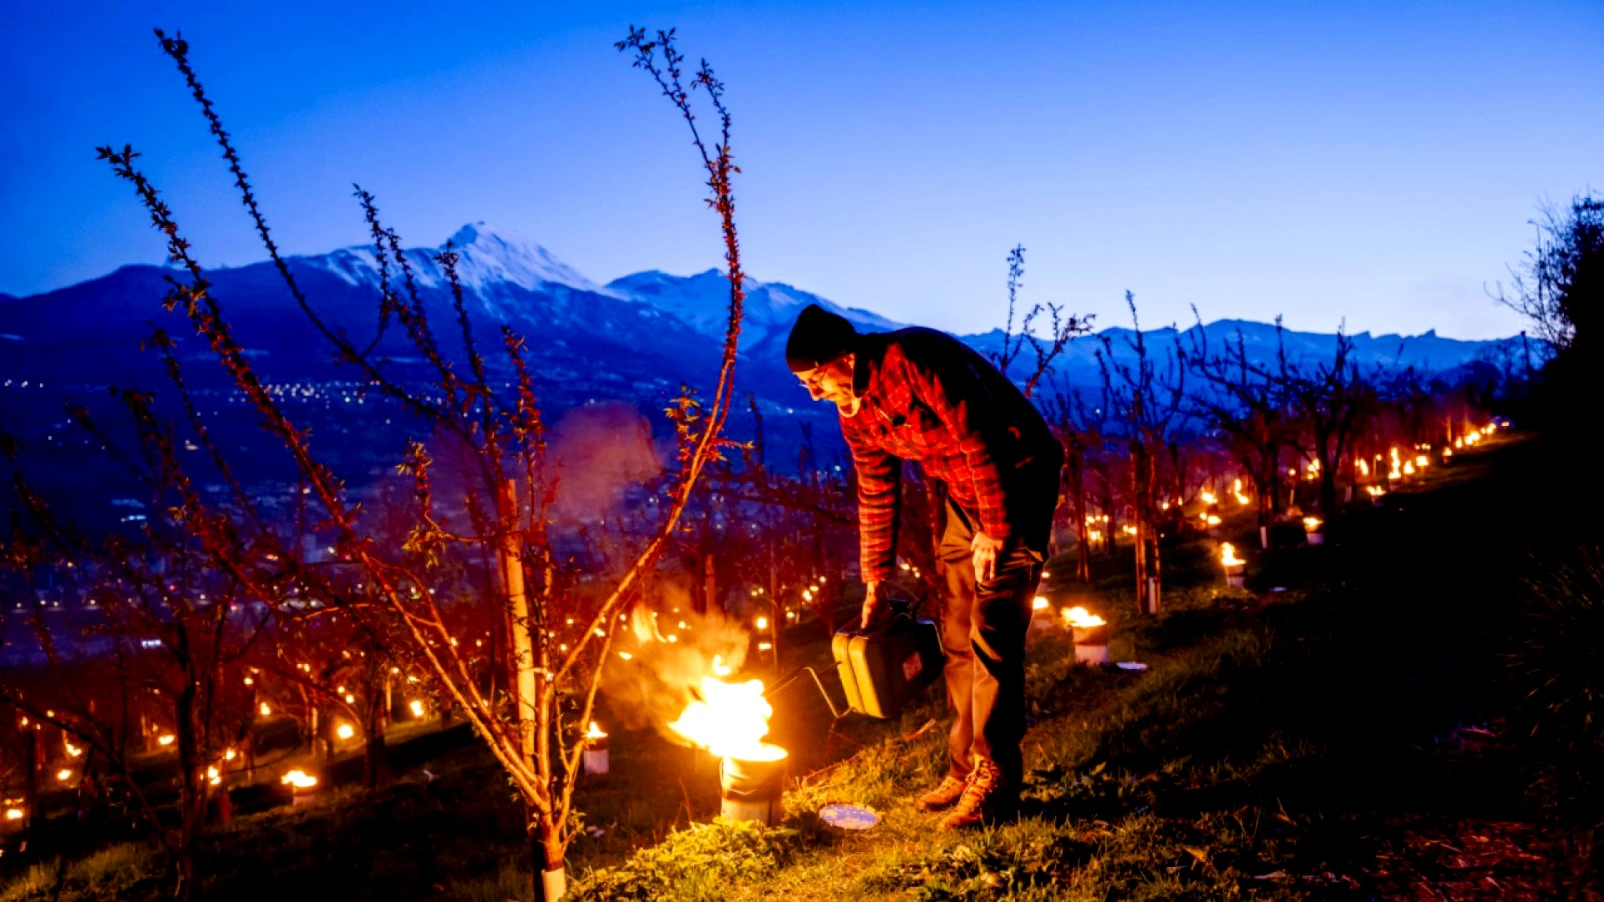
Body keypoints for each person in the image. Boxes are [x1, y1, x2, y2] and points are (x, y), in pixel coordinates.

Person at [786, 304, 1063, 830]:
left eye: (817, 378)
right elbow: (876, 488)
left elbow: (982, 437)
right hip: (965, 495)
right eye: (805, 385)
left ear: (844, 358)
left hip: (1017, 479)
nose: (814, 393)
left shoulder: (913, 360)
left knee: (993, 628)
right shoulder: (855, 411)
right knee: (956, 633)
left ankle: (996, 778)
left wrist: (999, 530)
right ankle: (964, 767)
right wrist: (875, 578)